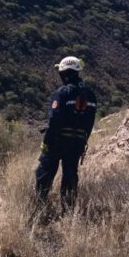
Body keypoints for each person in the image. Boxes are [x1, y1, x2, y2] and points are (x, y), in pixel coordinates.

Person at [35, 56, 97, 211]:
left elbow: (54, 120)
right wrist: (83, 141)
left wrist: (46, 143)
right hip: (77, 143)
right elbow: (89, 123)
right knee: (70, 176)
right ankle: (68, 211)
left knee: (45, 173)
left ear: (64, 73)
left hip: (57, 141)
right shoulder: (91, 96)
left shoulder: (62, 93)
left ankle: (38, 208)